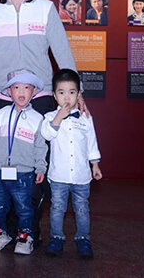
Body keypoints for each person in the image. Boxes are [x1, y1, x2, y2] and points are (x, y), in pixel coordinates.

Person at [0, 0, 85, 246]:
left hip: (41, 97)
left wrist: (77, 91)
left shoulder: (45, 9)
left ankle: (30, 229)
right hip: (3, 97)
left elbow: (62, 51)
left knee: (35, 167)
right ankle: (6, 228)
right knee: (3, 167)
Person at [0, 69, 48, 255]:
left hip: (24, 173)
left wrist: (40, 167)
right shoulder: (1, 114)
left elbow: (41, 147)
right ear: (9, 92)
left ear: (34, 92)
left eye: (26, 88)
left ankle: (25, 237)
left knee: (24, 208)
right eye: (16, 87)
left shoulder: (38, 119)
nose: (21, 92)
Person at [42, 69, 102, 258]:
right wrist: (59, 117)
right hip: (59, 175)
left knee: (82, 209)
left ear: (78, 95)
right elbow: (47, 134)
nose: (66, 97)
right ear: (54, 95)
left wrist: (95, 164)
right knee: (57, 209)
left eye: (71, 92)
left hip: (81, 176)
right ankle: (56, 238)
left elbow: (91, 142)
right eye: (61, 92)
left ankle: (83, 238)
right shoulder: (49, 117)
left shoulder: (86, 118)